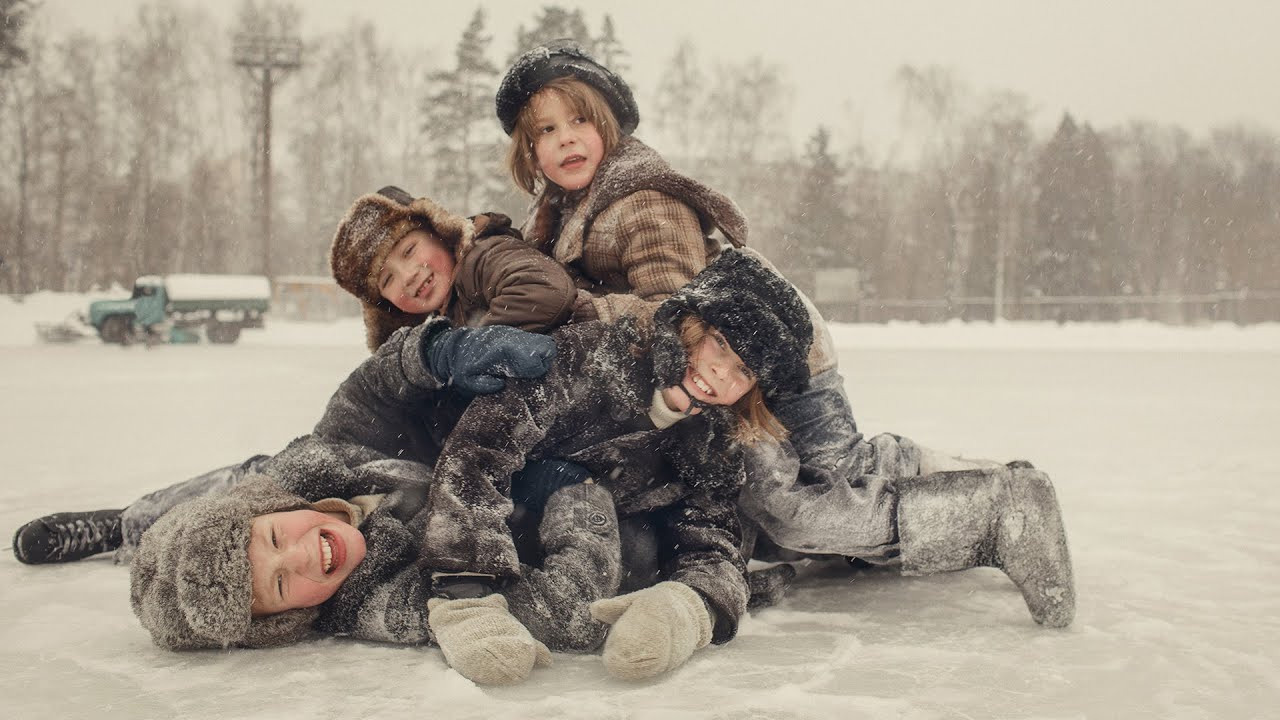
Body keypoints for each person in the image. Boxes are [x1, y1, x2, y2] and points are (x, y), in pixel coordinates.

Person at [494, 40, 1074, 628]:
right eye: (545, 129)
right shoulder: (561, 217)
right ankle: (974, 475)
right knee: (835, 470)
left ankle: (996, 511)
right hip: (733, 357)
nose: (565, 138)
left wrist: (576, 309)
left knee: (789, 505)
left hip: (760, 352)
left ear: (611, 125)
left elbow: (673, 314)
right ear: (529, 149)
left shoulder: (642, 203)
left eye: (580, 120)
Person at [12, 186, 577, 565]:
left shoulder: (482, 258)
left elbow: (544, 291)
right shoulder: (426, 325)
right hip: (439, 453)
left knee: (320, 502)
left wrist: (470, 351)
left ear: (436, 231)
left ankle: (170, 534)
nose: (411, 274)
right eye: (388, 278)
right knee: (291, 472)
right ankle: (133, 528)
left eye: (410, 249)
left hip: (498, 461)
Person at [411, 249, 814, 681]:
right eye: (719, 343)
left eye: (743, 371)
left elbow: (711, 541)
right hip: (483, 524)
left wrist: (689, 606)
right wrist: (467, 593)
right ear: (688, 322)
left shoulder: (713, 445)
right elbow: (477, 455)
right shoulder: (586, 359)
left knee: (643, 551)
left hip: (586, 558)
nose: (720, 372)